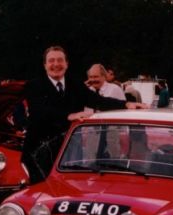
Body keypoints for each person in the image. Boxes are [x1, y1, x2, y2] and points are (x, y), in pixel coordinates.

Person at [22, 45, 146, 183]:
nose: (56, 64)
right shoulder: (33, 85)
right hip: (40, 154)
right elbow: (39, 110)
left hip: (69, 153)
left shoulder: (75, 84)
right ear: (45, 65)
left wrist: (126, 104)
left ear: (67, 64)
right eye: (51, 61)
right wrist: (68, 116)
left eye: (60, 60)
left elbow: (97, 100)